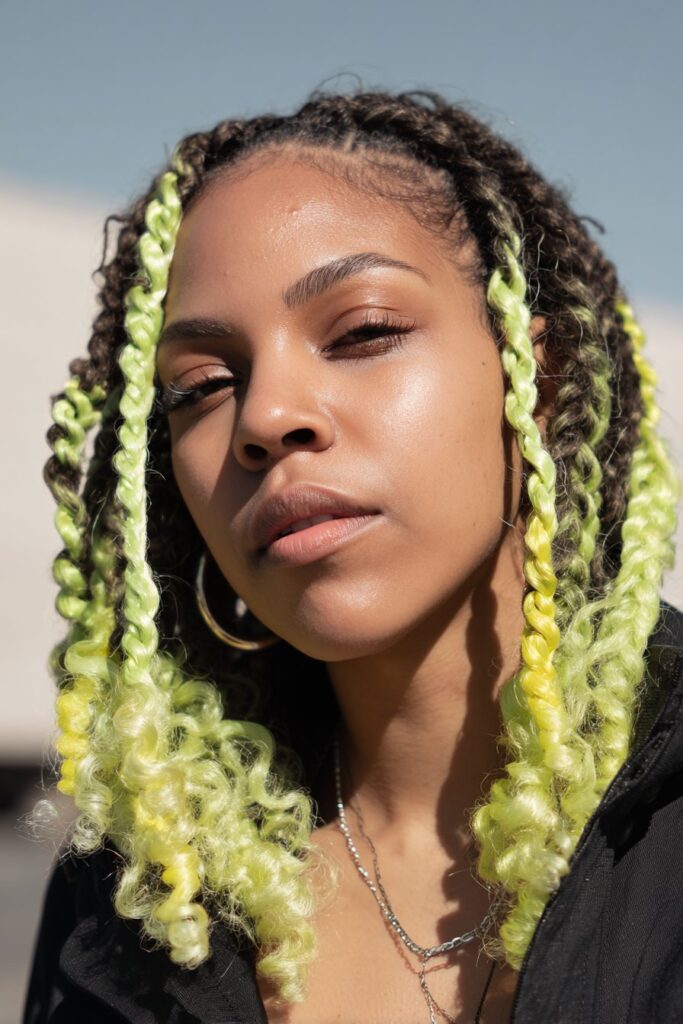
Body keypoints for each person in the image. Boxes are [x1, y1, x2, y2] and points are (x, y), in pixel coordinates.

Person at [23, 86, 683, 1024]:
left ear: (537, 383)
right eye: (202, 386)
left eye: (363, 332)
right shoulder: (132, 893)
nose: (264, 418)